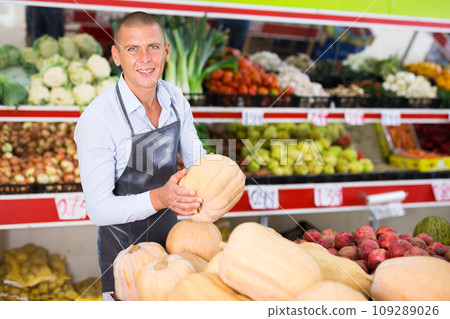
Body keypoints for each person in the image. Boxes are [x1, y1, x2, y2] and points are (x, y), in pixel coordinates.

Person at [74, 11, 206, 294]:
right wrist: (161, 197)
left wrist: (218, 179)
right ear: (116, 56)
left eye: (153, 47)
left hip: (174, 248)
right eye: (132, 49)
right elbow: (98, 210)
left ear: (166, 51)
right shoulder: (98, 119)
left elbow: (198, 159)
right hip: (126, 257)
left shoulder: (175, 98)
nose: (145, 58)